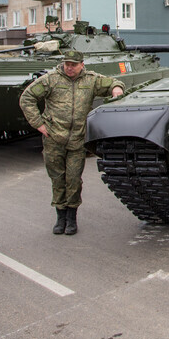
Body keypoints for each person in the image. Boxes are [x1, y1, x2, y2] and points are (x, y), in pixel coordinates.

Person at [19, 50, 125, 235]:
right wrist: (38, 124)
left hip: (77, 140)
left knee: (74, 180)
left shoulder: (91, 80)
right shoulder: (51, 79)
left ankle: (71, 218)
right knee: (58, 179)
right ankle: (60, 217)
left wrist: (117, 88)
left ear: (81, 65)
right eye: (67, 64)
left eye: (73, 64)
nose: (69, 67)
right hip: (53, 139)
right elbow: (27, 98)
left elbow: (114, 83)